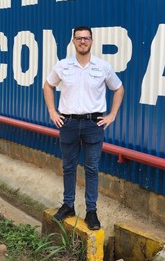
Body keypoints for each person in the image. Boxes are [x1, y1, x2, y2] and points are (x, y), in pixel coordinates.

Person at [43, 26, 125, 230]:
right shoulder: (63, 65)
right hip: (68, 123)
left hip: (93, 124)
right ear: (73, 41)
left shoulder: (102, 66)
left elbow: (118, 88)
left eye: (86, 38)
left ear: (91, 41)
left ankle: (91, 211)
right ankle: (68, 205)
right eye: (78, 38)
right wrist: (52, 111)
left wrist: (112, 115)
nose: (82, 41)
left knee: (92, 168)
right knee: (68, 167)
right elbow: (48, 85)